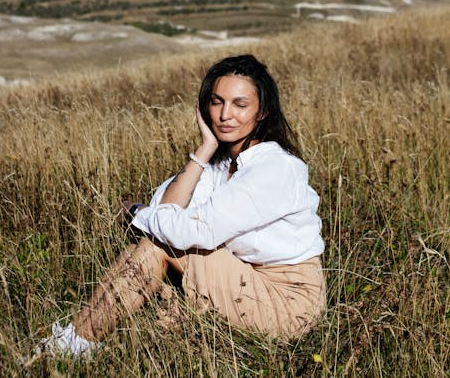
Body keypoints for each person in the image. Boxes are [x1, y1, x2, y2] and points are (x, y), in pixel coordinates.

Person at [39, 54, 325, 356]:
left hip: (288, 301)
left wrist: (139, 214)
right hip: (247, 276)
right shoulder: (222, 164)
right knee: (153, 242)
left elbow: (189, 228)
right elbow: (165, 208)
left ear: (263, 112)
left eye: (240, 105)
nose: (226, 114)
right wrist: (204, 151)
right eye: (217, 102)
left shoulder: (274, 167)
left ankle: (71, 348)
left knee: (158, 246)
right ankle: (75, 338)